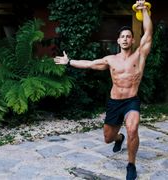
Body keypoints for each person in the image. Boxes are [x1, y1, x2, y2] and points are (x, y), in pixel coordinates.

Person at [54, 0, 152, 179]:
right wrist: (69, 62)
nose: (125, 39)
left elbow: (149, 33)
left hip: (131, 101)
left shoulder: (140, 54)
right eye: (122, 36)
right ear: (118, 40)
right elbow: (90, 64)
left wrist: (144, 9)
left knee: (133, 128)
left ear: (133, 40)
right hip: (114, 102)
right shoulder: (111, 60)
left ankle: (131, 165)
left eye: (128, 36)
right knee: (108, 138)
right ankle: (119, 139)